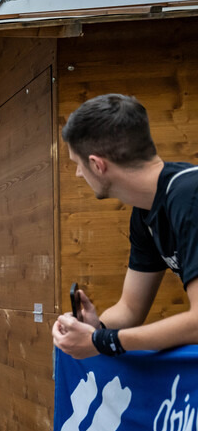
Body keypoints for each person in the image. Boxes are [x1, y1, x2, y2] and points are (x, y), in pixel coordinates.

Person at [53, 93, 198, 357]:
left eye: (78, 164)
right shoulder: (145, 210)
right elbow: (130, 308)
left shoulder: (190, 196)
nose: (77, 173)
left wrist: (102, 341)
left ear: (97, 165)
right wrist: (95, 330)